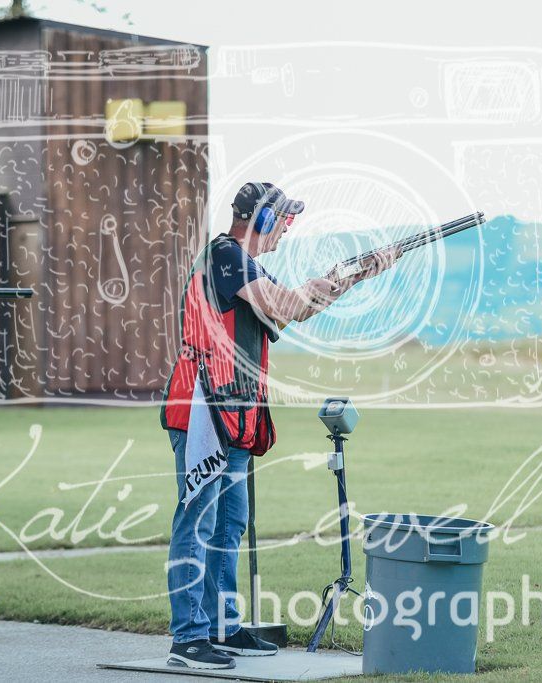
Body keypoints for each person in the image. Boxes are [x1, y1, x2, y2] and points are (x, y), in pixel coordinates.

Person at [159, 181, 398, 669]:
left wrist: (354, 277)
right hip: (204, 410)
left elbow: (291, 313)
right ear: (263, 219)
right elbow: (285, 304)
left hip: (232, 414)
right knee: (197, 523)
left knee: (229, 523)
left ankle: (221, 626)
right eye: (282, 220)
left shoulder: (244, 266)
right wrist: (328, 281)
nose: (286, 229)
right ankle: (188, 637)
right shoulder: (226, 256)